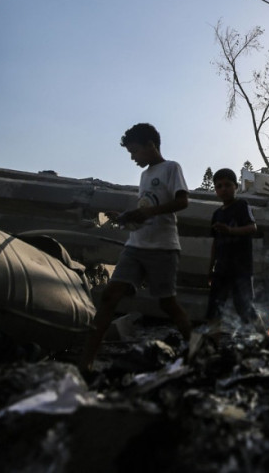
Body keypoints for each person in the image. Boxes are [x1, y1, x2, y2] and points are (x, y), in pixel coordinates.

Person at [79, 123, 192, 371]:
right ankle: (86, 362)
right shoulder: (144, 176)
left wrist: (147, 213)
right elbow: (145, 212)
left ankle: (197, 350)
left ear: (151, 145)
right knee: (110, 296)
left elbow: (182, 202)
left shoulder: (171, 168)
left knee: (167, 303)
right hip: (136, 246)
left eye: (134, 151)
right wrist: (126, 217)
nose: (133, 158)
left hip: (163, 247)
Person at [205, 168, 262, 331]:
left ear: (236, 186)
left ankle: (266, 337)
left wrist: (230, 230)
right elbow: (215, 243)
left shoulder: (241, 205)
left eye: (227, 185)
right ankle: (212, 343)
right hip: (221, 269)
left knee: (245, 307)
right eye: (219, 186)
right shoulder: (216, 214)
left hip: (241, 268)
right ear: (215, 190)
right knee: (213, 309)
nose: (223, 189)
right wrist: (210, 268)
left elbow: (252, 228)